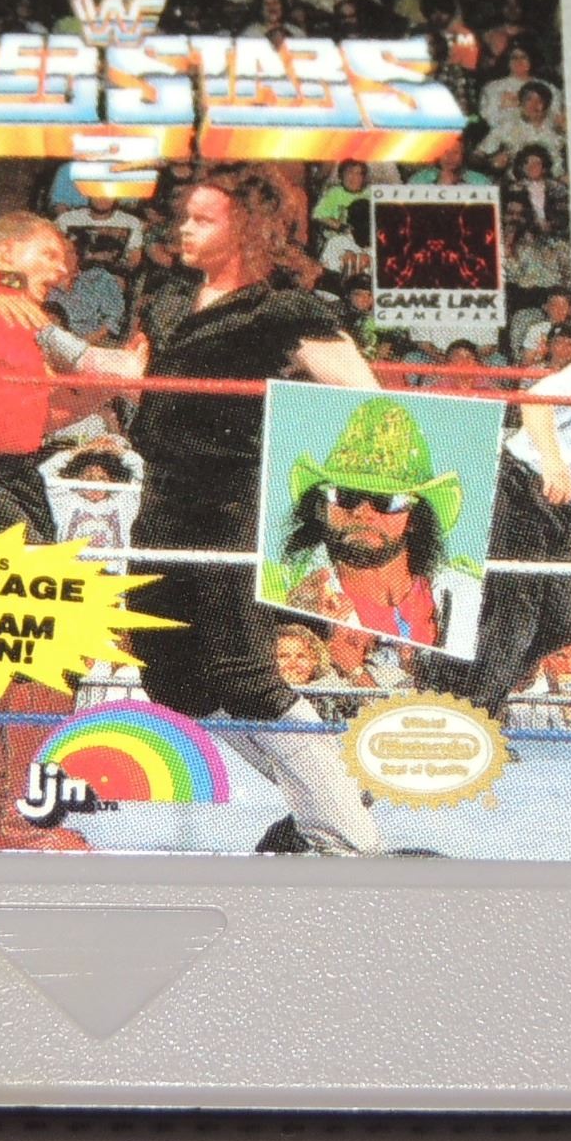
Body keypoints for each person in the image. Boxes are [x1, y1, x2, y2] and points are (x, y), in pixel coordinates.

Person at [128, 164, 386, 855]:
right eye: (186, 215)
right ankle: (326, 787)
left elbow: (365, 394)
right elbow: (140, 378)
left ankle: (346, 838)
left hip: (230, 501)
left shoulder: (282, 310)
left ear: (244, 228)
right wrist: (47, 342)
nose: (184, 228)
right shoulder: (170, 299)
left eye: (203, 218)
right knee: (169, 673)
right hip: (161, 499)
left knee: (242, 673)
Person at [0, 213, 148, 852]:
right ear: (8, 250)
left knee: (32, 645)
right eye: (50, 254)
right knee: (45, 641)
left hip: (13, 476)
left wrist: (109, 388)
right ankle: (24, 819)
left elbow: (35, 421)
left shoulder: (22, 326)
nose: (63, 269)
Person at [262, 397, 481, 677]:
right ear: (322, 508)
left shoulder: (467, 596)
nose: (362, 513)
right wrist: (292, 615)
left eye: (385, 501)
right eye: (346, 496)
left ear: (415, 518)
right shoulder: (276, 586)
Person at [417, 360, 571, 718]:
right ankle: (470, 715)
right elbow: (535, 400)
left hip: (565, 510)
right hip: (522, 484)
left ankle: (455, 692)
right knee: (513, 615)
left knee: (564, 622)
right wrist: (553, 462)